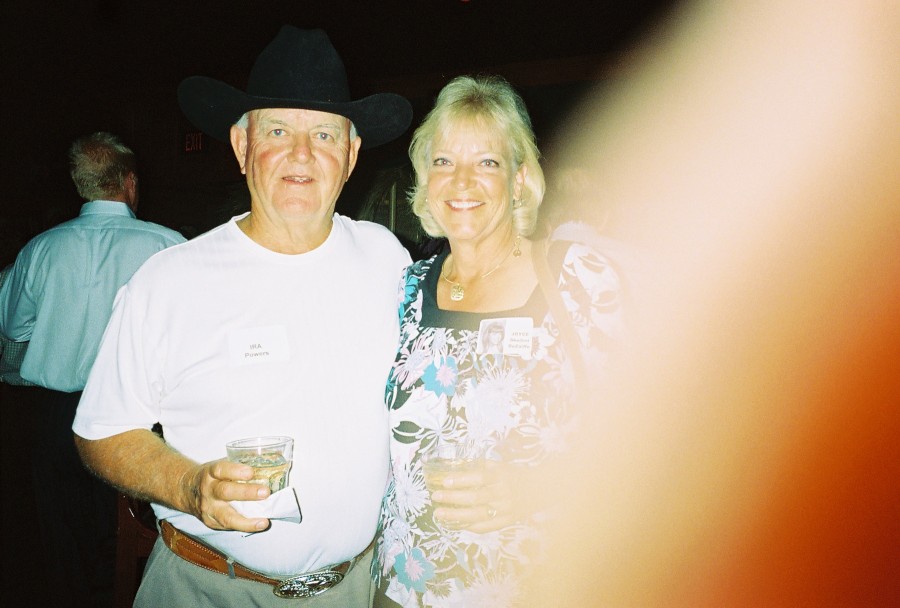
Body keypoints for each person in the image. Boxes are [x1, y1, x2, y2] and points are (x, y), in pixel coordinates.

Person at [72, 26, 413, 608]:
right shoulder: (171, 280)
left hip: (359, 588)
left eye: (324, 134)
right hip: (207, 589)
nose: (302, 154)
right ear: (242, 146)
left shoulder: (387, 258)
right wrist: (189, 486)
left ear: (351, 156)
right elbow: (101, 431)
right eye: (278, 131)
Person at [371, 75, 627, 607]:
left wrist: (532, 488)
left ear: (519, 179)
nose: (461, 181)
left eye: (487, 162)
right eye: (444, 161)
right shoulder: (407, 289)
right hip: (404, 589)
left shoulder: (576, 278)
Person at [0, 132, 185, 608]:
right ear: (130, 182)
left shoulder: (41, 248)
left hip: (57, 419)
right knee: (136, 541)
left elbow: (14, 326)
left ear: (80, 184)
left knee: (64, 545)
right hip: (139, 419)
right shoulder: (167, 246)